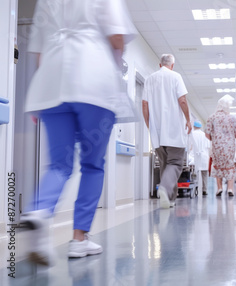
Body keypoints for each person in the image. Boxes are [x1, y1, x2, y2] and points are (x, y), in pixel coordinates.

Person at [20, 0, 137, 265]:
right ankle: (79, 239)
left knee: (59, 165)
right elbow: (117, 37)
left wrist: (45, 94)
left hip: (50, 82)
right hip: (93, 80)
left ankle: (40, 211)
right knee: (93, 164)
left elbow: (39, 52)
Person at [143, 54, 192, 208]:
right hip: (174, 129)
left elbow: (144, 105)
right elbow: (182, 100)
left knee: (165, 164)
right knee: (175, 163)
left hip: (157, 131)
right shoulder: (175, 76)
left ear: (160, 65)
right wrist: (188, 119)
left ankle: (170, 199)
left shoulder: (149, 79)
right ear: (172, 65)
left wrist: (149, 125)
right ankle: (164, 188)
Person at [206, 95, 236, 197]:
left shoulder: (212, 117)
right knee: (230, 166)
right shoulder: (232, 118)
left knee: (217, 165)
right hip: (230, 147)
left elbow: (207, 134)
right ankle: (230, 189)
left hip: (217, 147)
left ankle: (220, 188)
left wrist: (214, 140)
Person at [191, 121, 211, 196]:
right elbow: (208, 147)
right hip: (205, 156)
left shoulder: (192, 133)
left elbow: (191, 146)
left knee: (196, 173)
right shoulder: (204, 135)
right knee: (204, 174)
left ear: (194, 126)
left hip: (195, 156)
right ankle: (204, 189)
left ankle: (197, 188)